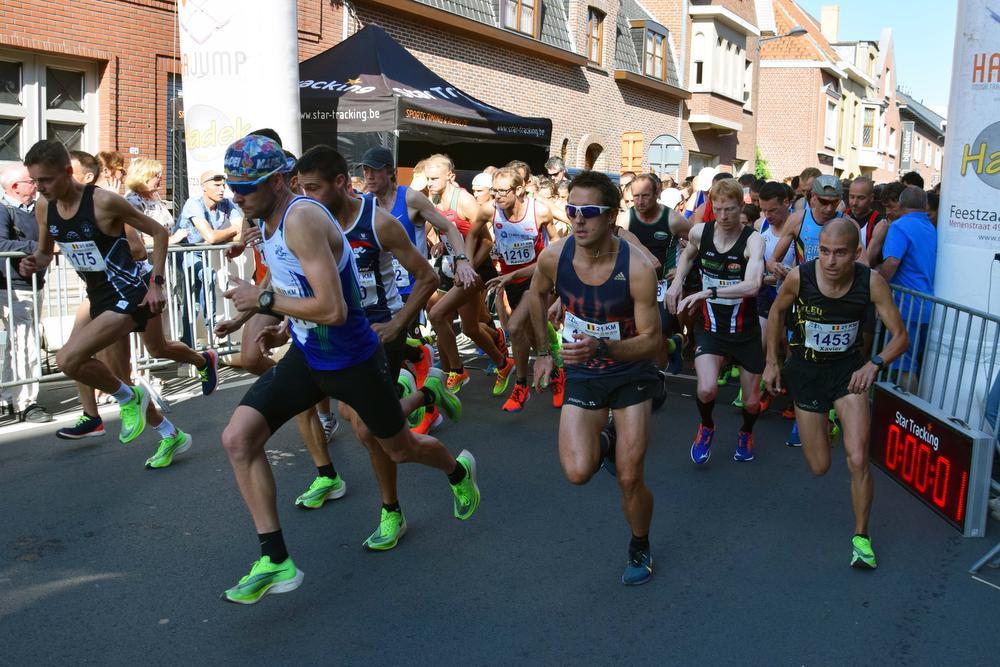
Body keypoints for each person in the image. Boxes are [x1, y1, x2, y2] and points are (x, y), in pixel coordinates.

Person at [217, 135, 479, 603]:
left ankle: (457, 471)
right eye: (232, 186)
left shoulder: (302, 220)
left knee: (397, 447)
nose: (236, 196)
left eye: (246, 187)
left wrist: (263, 300)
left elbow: (333, 310)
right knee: (238, 438)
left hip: (353, 357)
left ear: (277, 182)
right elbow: (296, 290)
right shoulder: (269, 221)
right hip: (307, 353)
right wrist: (272, 319)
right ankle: (275, 559)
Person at [296, 145, 461, 549]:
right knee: (346, 418)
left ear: (339, 184)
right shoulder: (305, 224)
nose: (305, 198)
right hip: (334, 331)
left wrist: (399, 325)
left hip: (379, 330)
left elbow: (426, 278)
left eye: (313, 188)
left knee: (366, 426)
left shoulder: (380, 222)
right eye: (301, 189)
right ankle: (425, 393)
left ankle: (392, 511)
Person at [19, 140, 193, 468]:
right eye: (35, 181)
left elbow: (158, 232)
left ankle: (135, 396)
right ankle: (171, 434)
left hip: (130, 292)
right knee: (116, 375)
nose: (39, 188)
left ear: (68, 173)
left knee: (68, 359)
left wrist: (156, 283)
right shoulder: (45, 206)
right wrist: (34, 261)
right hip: (99, 297)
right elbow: (45, 252)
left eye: (46, 180)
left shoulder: (104, 202)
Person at [526, 170, 662, 585]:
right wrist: (543, 352)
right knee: (577, 471)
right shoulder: (555, 255)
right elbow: (536, 294)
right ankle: (607, 439)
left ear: (611, 215)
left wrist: (602, 346)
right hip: (584, 370)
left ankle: (640, 543)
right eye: (572, 211)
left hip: (629, 371)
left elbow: (653, 341)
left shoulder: (636, 268)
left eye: (589, 212)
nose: (578, 220)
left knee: (628, 476)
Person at [764, 218, 909, 569]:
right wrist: (771, 361)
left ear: (856, 253)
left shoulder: (870, 282)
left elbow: (900, 336)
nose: (830, 261)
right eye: (825, 251)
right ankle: (828, 423)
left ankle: (861, 537)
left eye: (840, 253)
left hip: (849, 375)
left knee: (858, 459)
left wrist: (874, 363)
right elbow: (776, 311)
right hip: (807, 374)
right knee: (819, 466)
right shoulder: (801, 276)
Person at [666, 178, 765, 464]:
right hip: (711, 328)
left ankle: (746, 431)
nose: (723, 217)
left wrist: (709, 291)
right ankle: (706, 426)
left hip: (745, 330)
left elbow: (753, 285)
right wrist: (677, 282)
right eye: (718, 209)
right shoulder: (700, 232)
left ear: (741, 207)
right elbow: (688, 254)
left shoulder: (753, 240)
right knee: (707, 388)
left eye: (730, 210)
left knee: (751, 401)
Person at [466, 167, 561, 412]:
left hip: (538, 278)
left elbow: (555, 248)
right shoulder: (489, 210)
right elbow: (472, 235)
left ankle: (520, 385)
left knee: (515, 326)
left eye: (502, 191)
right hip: (510, 280)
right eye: (493, 191)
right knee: (526, 331)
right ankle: (557, 371)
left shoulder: (539, 211)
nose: (496, 197)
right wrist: (465, 261)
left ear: (519, 190)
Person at [421, 154, 510, 395]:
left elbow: (487, 242)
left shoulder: (464, 200)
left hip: (476, 271)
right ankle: (503, 362)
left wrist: (468, 266)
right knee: (470, 328)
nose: (429, 183)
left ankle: (456, 370)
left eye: (434, 178)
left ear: (450, 176)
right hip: (456, 270)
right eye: (427, 178)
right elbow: (434, 231)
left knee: (438, 314)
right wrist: (441, 243)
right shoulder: (434, 199)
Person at [618, 173, 689, 379]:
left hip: (663, 285)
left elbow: (698, 241)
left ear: (657, 193)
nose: (639, 201)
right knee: (637, 331)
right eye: (635, 196)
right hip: (635, 283)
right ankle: (658, 361)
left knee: (657, 331)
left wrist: (681, 268)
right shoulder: (626, 218)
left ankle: (655, 374)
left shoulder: (673, 219)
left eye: (645, 196)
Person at [0, 163, 52, 422]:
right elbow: (1, 244)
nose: (35, 185)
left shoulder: (37, 209)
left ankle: (10, 397)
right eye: (30, 181)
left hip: (32, 284)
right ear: (15, 187)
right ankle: (25, 402)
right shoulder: (4, 210)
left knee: (19, 342)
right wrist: (40, 247)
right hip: (14, 286)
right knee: (24, 342)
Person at [878, 186, 936, 391]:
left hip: (906, 306)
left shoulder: (899, 227)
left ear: (901, 205)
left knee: (904, 366)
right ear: (924, 206)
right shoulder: (930, 227)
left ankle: (906, 416)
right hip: (927, 306)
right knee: (913, 365)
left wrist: (878, 288)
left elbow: (892, 262)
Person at [176, 171, 242, 344]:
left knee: (196, 299)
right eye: (216, 185)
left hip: (202, 254)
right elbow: (211, 237)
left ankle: (189, 342)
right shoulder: (193, 203)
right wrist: (230, 231)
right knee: (206, 277)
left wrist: (225, 234)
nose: (222, 189)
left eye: (223, 185)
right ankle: (212, 331)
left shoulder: (226, 204)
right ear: (203, 187)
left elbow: (242, 233)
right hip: (184, 253)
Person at [124, 159, 186, 245]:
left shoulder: (155, 197)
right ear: (144, 177)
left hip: (163, 255)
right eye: (157, 176)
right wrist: (172, 240)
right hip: (147, 256)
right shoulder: (133, 201)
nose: (161, 178)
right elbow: (138, 239)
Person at [865, 181, 906, 269]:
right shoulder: (884, 223)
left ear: (903, 203)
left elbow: (892, 262)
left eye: (891, 207)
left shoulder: (899, 227)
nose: (887, 212)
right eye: (885, 207)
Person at [843, 177, 885, 260]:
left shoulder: (879, 223)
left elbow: (868, 262)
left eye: (861, 198)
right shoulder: (842, 215)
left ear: (871, 198)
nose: (854, 203)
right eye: (852, 197)